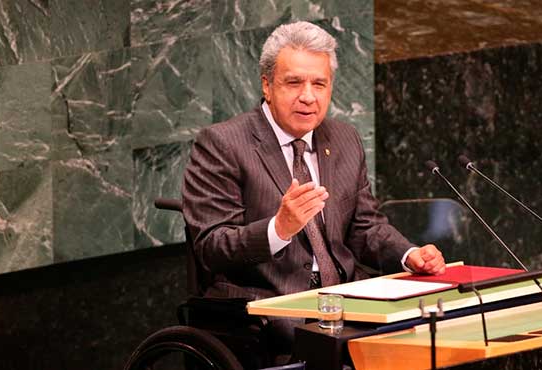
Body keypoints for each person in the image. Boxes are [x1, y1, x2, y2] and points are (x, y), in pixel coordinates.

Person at [181, 21, 445, 349]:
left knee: (428, 330)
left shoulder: (344, 138)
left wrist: (409, 254)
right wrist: (279, 228)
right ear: (267, 85)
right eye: (294, 83)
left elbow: (366, 228)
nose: (308, 97)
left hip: (343, 301)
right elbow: (211, 246)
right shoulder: (222, 144)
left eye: (319, 84)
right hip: (264, 310)